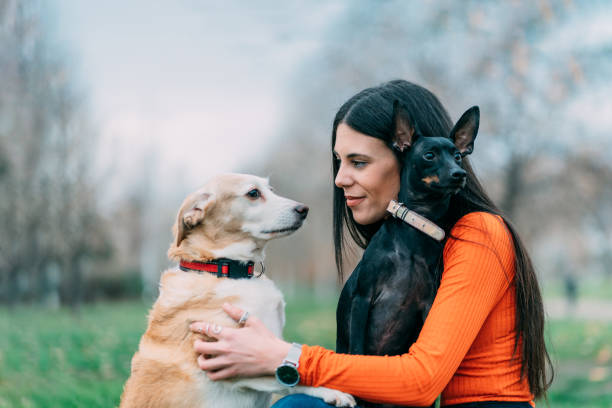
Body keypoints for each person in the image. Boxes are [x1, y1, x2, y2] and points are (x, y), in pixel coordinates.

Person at [189, 80, 554, 407]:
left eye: (359, 162)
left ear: (408, 152)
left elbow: (422, 380)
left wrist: (285, 358)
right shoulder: (406, 246)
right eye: (339, 162)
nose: (340, 178)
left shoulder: (479, 233)